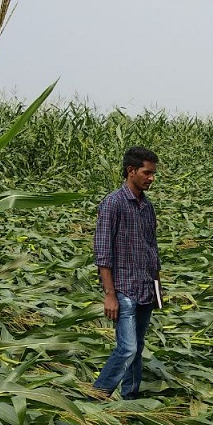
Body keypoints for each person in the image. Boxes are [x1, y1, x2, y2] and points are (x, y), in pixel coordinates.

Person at [90, 146, 161, 400]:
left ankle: (130, 396)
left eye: (153, 173)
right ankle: (97, 394)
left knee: (138, 347)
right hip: (123, 290)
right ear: (131, 171)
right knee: (127, 348)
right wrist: (109, 294)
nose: (151, 178)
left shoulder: (146, 207)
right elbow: (102, 252)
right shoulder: (113, 203)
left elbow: (152, 249)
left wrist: (157, 288)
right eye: (147, 172)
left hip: (144, 288)